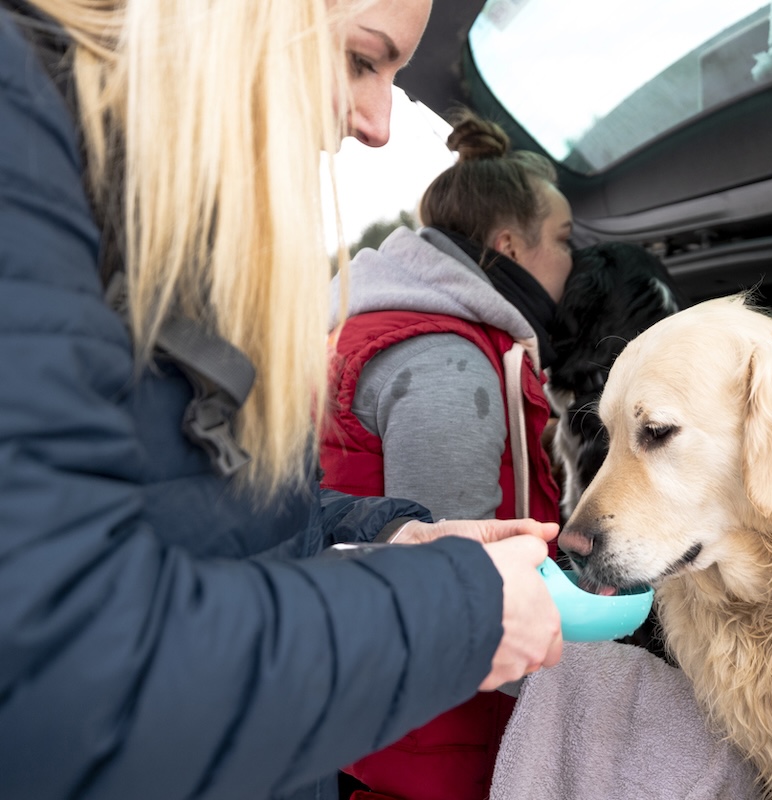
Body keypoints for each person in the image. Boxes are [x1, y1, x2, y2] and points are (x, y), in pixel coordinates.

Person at [0, 2, 562, 799]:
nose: (378, 125)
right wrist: (464, 612)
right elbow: (56, 667)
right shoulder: (24, 132)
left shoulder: (161, 210)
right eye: (363, 61)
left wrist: (388, 535)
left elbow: (200, 513)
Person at [320, 109, 571, 800]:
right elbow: (452, 582)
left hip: (366, 716)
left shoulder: (385, 326)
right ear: (510, 245)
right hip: (430, 739)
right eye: (564, 239)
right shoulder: (447, 362)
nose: (572, 261)